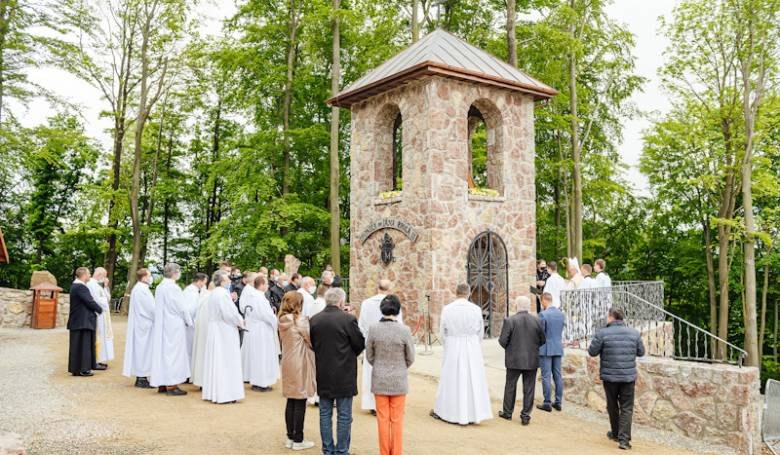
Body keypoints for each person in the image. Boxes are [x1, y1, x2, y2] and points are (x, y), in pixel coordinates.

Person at [309, 288, 365, 455]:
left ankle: (328, 449)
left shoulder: (315, 320)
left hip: (324, 371)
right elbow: (359, 343)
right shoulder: (348, 319)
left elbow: (314, 344)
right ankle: (341, 450)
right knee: (344, 414)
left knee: (325, 413)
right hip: (344, 372)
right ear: (341, 301)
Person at [431, 283, 492, 425]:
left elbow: (442, 332)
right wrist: (475, 344)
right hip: (471, 346)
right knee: (472, 378)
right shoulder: (476, 309)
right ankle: (473, 413)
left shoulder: (447, 309)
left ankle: (449, 412)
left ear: (456, 292)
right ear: (469, 293)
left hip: (453, 344)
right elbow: (480, 332)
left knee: (451, 378)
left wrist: (448, 345)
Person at [588, 308, 645, 450]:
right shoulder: (634, 333)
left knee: (612, 406)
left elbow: (592, 352)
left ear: (611, 317)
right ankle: (624, 440)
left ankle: (615, 433)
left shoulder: (602, 333)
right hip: (627, 377)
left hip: (610, 377)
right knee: (626, 408)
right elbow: (641, 352)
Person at [365, 294, 415, 455]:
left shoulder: (373, 329)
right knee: (397, 420)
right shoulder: (404, 330)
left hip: (379, 379)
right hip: (399, 380)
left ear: (382, 309)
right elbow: (411, 357)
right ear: (398, 310)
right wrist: (400, 367)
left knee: (382, 420)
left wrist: (380, 365)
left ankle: (384, 452)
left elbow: (369, 355)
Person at [498, 296, 545, 425]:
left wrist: (511, 349)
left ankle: (507, 413)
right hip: (531, 359)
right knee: (529, 388)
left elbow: (502, 341)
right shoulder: (537, 321)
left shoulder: (510, 320)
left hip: (513, 359)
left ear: (516, 306)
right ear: (529, 307)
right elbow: (542, 340)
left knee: (510, 386)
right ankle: (525, 416)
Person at [279, 291, 316, 451]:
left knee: (291, 400)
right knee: (300, 400)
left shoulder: (282, 319)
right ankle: (298, 439)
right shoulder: (299, 321)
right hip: (299, 361)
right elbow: (311, 340)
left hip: (287, 361)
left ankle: (290, 437)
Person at [149, 263, 193, 396]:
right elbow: (182, 307)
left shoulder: (160, 287)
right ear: (174, 273)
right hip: (174, 325)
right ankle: (172, 385)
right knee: (174, 354)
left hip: (162, 324)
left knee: (163, 353)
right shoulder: (174, 288)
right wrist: (189, 322)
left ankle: (162, 382)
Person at [202, 270, 246, 404]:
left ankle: (216, 392)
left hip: (217, 328)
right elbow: (229, 314)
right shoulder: (222, 294)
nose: (230, 281)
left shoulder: (215, 293)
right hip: (224, 330)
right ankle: (225, 393)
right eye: (227, 279)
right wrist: (240, 322)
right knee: (226, 360)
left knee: (218, 359)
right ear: (221, 281)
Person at [358, 279, 401, 413]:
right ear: (389, 289)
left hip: (371, 341)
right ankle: (386, 402)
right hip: (390, 342)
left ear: (378, 288)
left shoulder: (366, 303)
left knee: (370, 373)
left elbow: (361, 325)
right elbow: (399, 325)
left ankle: (372, 404)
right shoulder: (394, 304)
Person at [241, 275, 279, 392]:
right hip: (262, 330)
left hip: (255, 329)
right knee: (262, 356)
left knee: (257, 356)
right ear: (261, 285)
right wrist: (276, 322)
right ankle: (261, 382)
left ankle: (256, 381)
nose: (268, 286)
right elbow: (267, 315)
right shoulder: (260, 298)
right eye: (266, 284)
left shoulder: (253, 296)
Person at [67, 267, 104, 377]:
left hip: (79, 321)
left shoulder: (76, 286)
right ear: (83, 275)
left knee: (77, 346)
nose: (90, 275)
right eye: (88, 274)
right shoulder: (80, 287)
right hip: (82, 321)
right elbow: (89, 301)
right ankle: (83, 369)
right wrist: (100, 309)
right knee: (84, 346)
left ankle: (76, 368)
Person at [123, 268, 156, 388]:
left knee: (144, 350)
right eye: (150, 275)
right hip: (144, 324)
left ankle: (143, 376)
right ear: (144, 277)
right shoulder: (141, 290)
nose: (151, 278)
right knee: (143, 350)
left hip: (143, 324)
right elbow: (150, 308)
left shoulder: (141, 288)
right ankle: (141, 377)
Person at [537, 293, 565, 412]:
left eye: (541, 301)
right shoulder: (561, 314)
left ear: (544, 300)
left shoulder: (543, 314)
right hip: (558, 347)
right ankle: (558, 402)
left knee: (546, 376)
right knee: (558, 375)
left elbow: (540, 333)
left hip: (546, 348)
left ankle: (547, 403)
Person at [87, 267, 114, 369]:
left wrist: (106, 286)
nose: (105, 278)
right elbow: (97, 300)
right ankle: (95, 360)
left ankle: (100, 359)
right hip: (98, 314)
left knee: (102, 337)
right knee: (98, 337)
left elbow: (107, 298)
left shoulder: (98, 285)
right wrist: (104, 301)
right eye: (104, 276)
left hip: (104, 314)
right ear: (99, 275)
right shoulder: (91, 284)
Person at [191, 280, 215, 388]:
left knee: (201, 355)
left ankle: (201, 380)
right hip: (208, 332)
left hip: (202, 331)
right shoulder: (210, 299)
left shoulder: (203, 297)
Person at [182, 273, 208, 366]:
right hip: (189, 325)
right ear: (200, 281)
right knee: (189, 348)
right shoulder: (191, 292)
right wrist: (191, 323)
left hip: (190, 323)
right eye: (204, 283)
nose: (204, 285)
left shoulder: (191, 290)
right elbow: (189, 309)